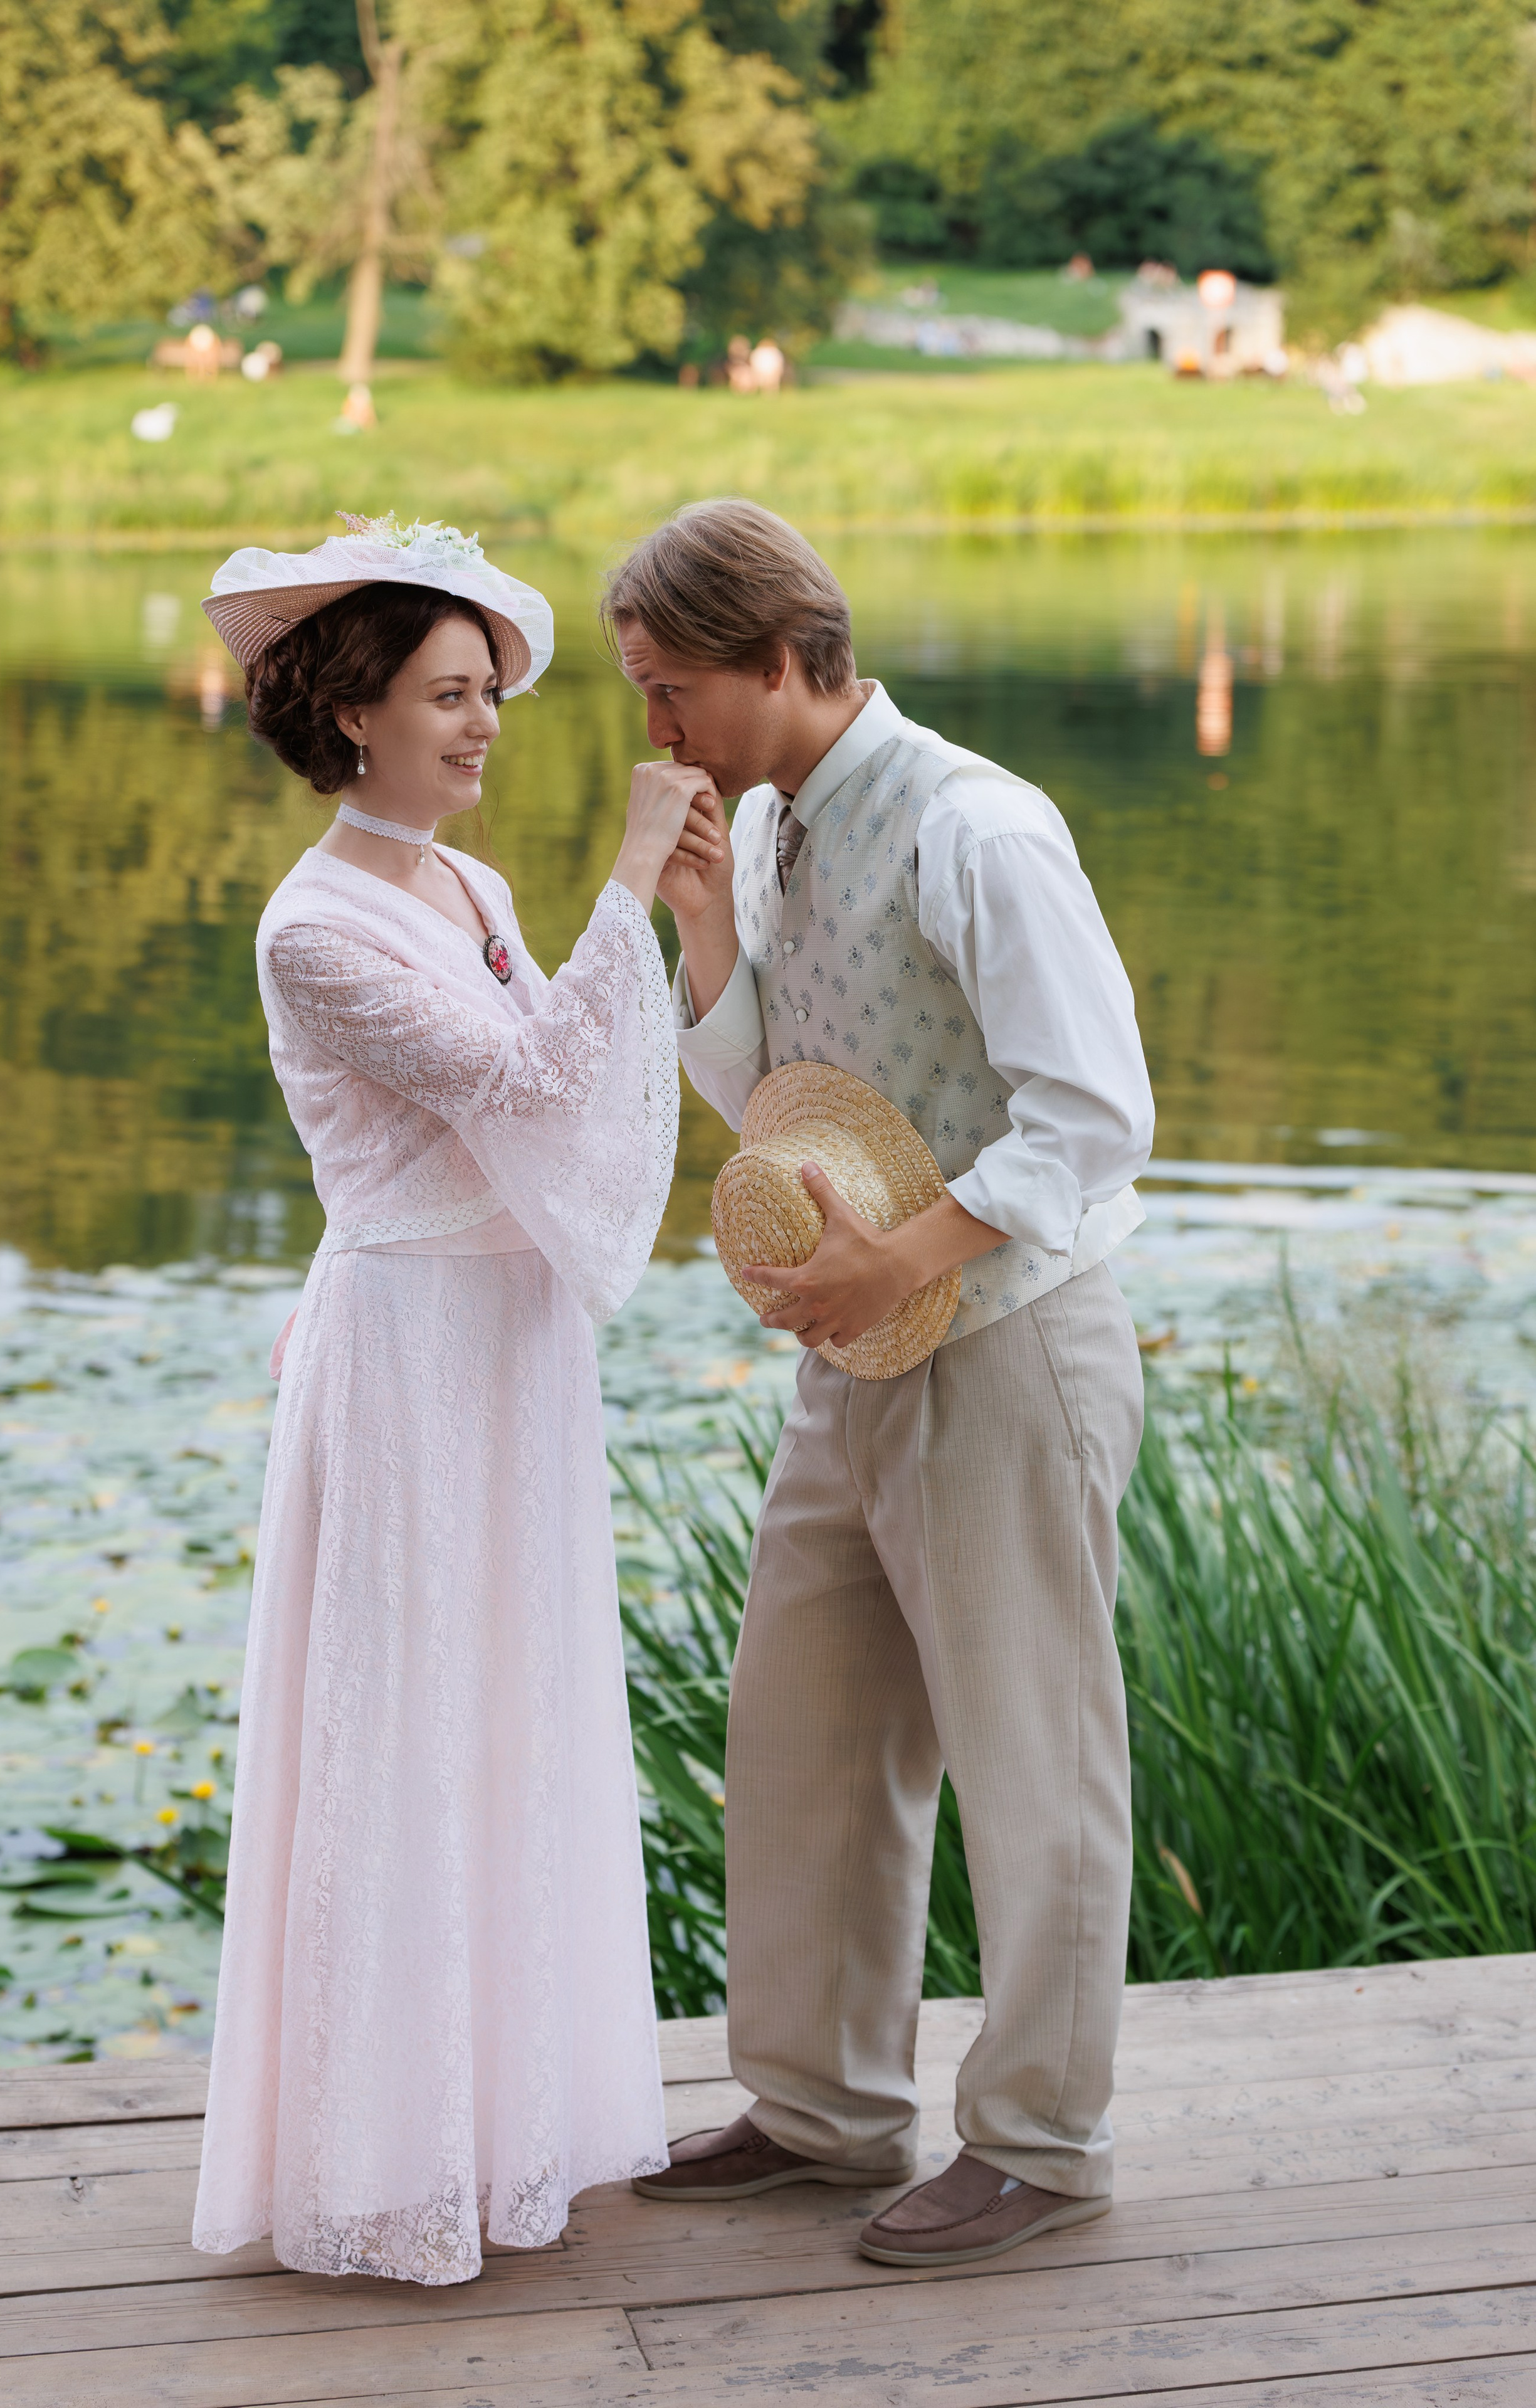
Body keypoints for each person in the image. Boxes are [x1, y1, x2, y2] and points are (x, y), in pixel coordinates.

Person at [605, 499, 1155, 2266]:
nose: (656, 731)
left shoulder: (980, 829)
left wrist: (900, 1263)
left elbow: (1097, 1115)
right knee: (806, 1734)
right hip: (859, 1349)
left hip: (1004, 1348)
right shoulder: (767, 830)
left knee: (1032, 1753)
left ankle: (1044, 2147)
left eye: (674, 689)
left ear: (783, 656)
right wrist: (704, 924)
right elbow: (782, 1087)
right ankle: (828, 2110)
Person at [189, 517, 720, 2285]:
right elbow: (536, 1067)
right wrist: (634, 873)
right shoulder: (312, 931)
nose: (487, 723)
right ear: (351, 718)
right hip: (413, 1353)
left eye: (489, 692)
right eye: (448, 695)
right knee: (403, 1723)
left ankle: (508, 2130)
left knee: (512, 1708)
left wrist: (672, 918)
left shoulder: (474, 891)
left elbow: (573, 1108)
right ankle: (378, 2160)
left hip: (512, 1351)